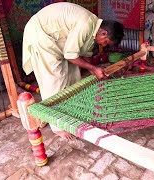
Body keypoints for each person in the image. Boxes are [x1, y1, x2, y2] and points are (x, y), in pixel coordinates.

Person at [22, 2, 124, 140]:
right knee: (54, 81)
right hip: (42, 36)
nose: (103, 45)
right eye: (105, 42)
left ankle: (70, 110)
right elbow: (71, 55)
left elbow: (81, 56)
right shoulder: (86, 24)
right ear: (103, 32)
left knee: (74, 75)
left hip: (56, 41)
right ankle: (57, 126)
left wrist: (95, 71)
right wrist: (94, 68)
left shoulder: (92, 28)